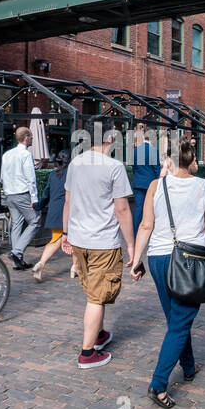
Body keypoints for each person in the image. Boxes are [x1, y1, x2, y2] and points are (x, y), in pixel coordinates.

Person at [130, 140, 205, 409]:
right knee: (179, 323)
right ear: (192, 161)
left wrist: (135, 261)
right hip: (189, 259)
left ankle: (188, 367)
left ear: (170, 159)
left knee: (176, 318)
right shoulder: (204, 186)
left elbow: (146, 225)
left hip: (157, 257)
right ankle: (158, 384)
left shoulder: (157, 185)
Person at [62, 119, 135, 369]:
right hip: (103, 241)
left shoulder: (75, 163)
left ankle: (100, 334)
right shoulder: (114, 167)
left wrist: (65, 233)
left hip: (79, 239)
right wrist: (132, 246)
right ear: (110, 138)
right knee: (96, 296)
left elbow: (67, 202)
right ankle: (87, 353)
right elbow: (122, 209)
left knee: (94, 290)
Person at [0, 127, 38, 270]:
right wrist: (34, 199)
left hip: (9, 195)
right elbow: (31, 179)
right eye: (31, 136)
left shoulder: (7, 155)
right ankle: (17, 252)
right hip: (22, 194)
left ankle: (18, 260)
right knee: (35, 221)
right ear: (26, 138)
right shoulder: (26, 154)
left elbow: (2, 177)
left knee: (16, 224)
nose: (33, 139)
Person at [31, 150, 71, 281]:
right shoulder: (72, 175)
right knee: (74, 240)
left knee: (55, 239)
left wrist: (38, 206)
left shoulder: (53, 175)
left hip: (54, 212)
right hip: (68, 212)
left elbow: (46, 195)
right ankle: (75, 267)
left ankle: (41, 263)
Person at [130, 126, 161, 234]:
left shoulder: (134, 151)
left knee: (138, 209)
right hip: (151, 184)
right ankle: (149, 231)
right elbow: (157, 169)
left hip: (138, 183)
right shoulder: (154, 151)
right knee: (151, 208)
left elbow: (133, 167)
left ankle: (135, 232)